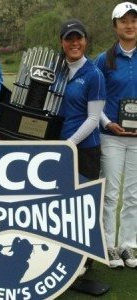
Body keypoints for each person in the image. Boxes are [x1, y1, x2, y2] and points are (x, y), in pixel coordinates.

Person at [58, 19, 106, 275]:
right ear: (62, 42)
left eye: (79, 38)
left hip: (85, 148)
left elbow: (94, 119)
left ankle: (84, 261)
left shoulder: (94, 73)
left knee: (83, 204)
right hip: (60, 147)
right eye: (69, 38)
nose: (74, 43)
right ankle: (65, 253)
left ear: (86, 41)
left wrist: (70, 144)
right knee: (63, 204)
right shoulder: (58, 71)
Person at [94, 2, 137, 269]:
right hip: (111, 134)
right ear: (115, 26)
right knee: (110, 193)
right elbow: (95, 101)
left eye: (133, 20)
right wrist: (108, 123)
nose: (129, 25)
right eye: (124, 21)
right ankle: (108, 244)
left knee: (134, 195)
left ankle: (129, 245)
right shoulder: (104, 59)